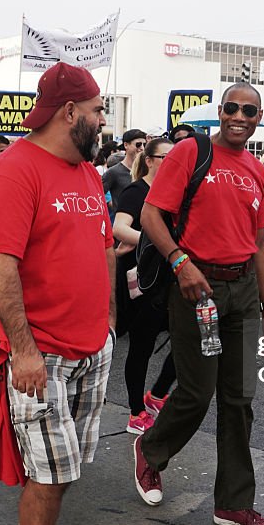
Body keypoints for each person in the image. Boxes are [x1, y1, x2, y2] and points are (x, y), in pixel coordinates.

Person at [0, 62, 114, 525]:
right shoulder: (13, 170)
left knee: (65, 469)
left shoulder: (87, 170)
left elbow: (102, 245)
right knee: (51, 475)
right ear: (70, 111)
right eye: (99, 110)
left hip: (92, 347)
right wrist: (24, 350)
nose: (104, 120)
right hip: (42, 353)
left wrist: (108, 322)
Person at [133, 82, 264, 525]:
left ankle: (234, 505)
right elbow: (151, 215)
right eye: (233, 108)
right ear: (221, 111)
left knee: (240, 401)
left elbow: (258, 242)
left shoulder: (257, 169)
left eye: (249, 111)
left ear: (258, 118)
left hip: (242, 292)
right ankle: (150, 450)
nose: (240, 116)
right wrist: (181, 263)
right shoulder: (189, 153)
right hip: (198, 286)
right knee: (197, 392)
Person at [112, 137, 177, 435]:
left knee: (188, 341)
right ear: (149, 160)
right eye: (166, 157)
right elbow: (119, 227)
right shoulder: (136, 190)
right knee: (141, 345)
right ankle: (136, 410)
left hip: (175, 277)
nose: (172, 163)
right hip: (143, 279)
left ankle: (158, 393)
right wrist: (156, 244)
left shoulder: (179, 192)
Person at [103, 128, 147, 212]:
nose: (142, 148)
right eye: (138, 144)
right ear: (126, 145)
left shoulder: (147, 170)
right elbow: (97, 194)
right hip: (122, 222)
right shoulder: (114, 172)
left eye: (144, 144)